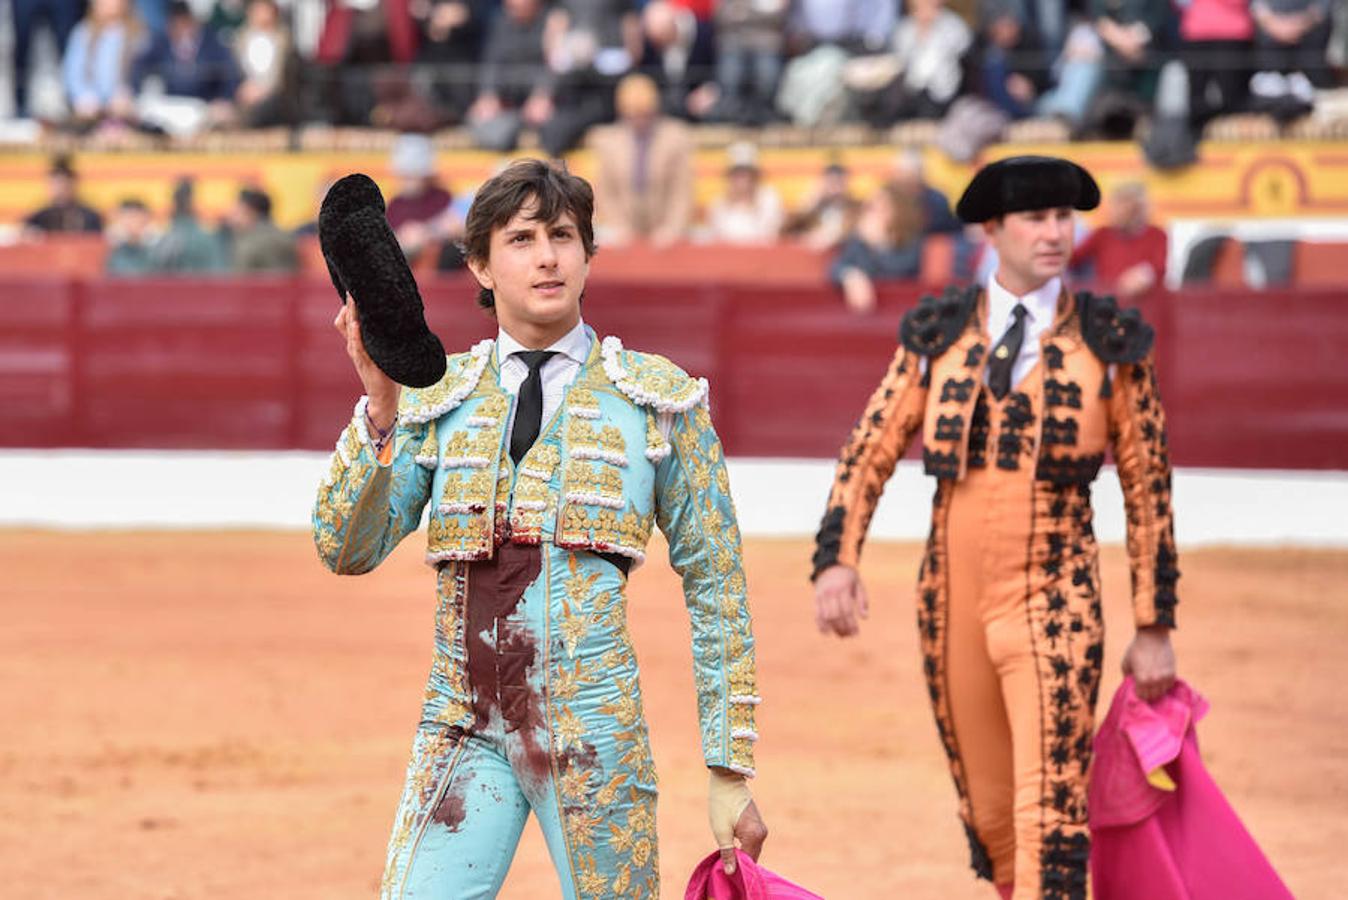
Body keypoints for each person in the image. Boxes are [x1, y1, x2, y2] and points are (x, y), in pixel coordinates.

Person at [313, 158, 767, 898]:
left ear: (590, 257)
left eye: (563, 236)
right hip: (461, 727)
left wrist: (729, 769)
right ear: (481, 267)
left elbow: (717, 585)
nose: (548, 256)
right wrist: (381, 406)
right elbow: (345, 547)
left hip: (593, 731)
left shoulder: (658, 404)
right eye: (521, 238)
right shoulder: (438, 400)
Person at [811, 155, 1179, 899]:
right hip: (952, 604)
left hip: (1057, 597)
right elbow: (872, 444)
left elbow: (1149, 487)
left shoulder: (1108, 344)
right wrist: (836, 559)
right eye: (1035, 219)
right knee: (991, 818)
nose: (1054, 233)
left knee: (1050, 809)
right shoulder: (939, 335)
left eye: (1063, 219)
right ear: (992, 229)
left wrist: (1153, 621)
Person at [591, 72, 694, 247]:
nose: (639, 121)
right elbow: (606, 192)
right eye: (633, 115)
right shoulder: (607, 141)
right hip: (623, 233)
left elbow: (682, 191)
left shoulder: (675, 138)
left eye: (644, 114)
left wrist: (671, 229)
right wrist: (619, 226)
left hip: (665, 234)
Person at [828, 181, 926, 314]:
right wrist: (850, 275)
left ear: (898, 211)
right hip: (864, 317)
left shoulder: (912, 240)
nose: (874, 213)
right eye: (871, 207)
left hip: (900, 312)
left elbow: (898, 274)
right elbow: (836, 267)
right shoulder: (860, 239)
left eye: (881, 207)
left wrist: (878, 245)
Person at [1070, 181, 1168, 300]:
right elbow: (1073, 258)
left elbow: (1159, 266)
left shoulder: (1157, 235)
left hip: (1147, 303)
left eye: (1126, 207)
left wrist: (1146, 274)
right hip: (1109, 303)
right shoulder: (1102, 235)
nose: (1116, 212)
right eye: (1115, 206)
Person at [62, 0, 144, 130]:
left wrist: (127, 94)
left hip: (125, 112)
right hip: (90, 113)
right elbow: (71, 74)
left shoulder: (138, 34)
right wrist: (82, 96)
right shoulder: (82, 33)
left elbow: (142, 74)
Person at [385, 133, 457, 263]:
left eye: (414, 173)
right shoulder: (394, 205)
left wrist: (427, 232)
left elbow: (455, 226)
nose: (409, 180)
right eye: (405, 174)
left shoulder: (442, 198)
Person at [704, 142, 783, 245]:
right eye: (737, 172)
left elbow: (770, 236)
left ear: (755, 175)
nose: (742, 177)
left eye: (746, 172)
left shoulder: (769, 198)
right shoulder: (718, 203)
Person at [24, 155, 104, 234]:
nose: (60, 189)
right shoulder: (39, 218)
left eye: (64, 185)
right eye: (55, 184)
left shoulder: (90, 217)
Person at [227, 187, 297, 273]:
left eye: (236, 212)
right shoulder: (284, 236)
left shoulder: (250, 243)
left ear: (250, 212)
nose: (231, 217)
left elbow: (240, 280)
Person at [104, 196, 158, 275]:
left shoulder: (159, 244)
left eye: (135, 216)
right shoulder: (110, 244)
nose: (132, 221)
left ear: (146, 217)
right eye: (128, 217)